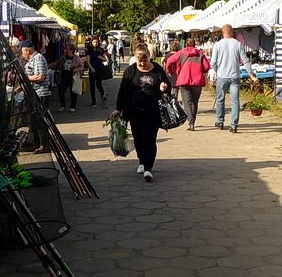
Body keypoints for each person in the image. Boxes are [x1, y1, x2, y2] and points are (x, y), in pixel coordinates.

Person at [112, 44, 171, 183]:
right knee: (138, 139)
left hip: (153, 111)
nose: (143, 64)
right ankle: (142, 161)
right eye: (140, 62)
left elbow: (167, 85)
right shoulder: (130, 71)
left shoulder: (157, 69)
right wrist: (118, 109)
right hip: (134, 112)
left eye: (145, 61)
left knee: (149, 139)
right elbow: (122, 91)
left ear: (149, 58)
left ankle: (148, 168)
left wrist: (164, 87)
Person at [210, 24, 257, 133]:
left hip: (222, 76)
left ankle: (220, 121)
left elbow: (213, 63)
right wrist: (251, 75)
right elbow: (245, 60)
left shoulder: (217, 45)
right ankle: (234, 124)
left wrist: (217, 72)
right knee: (235, 100)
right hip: (234, 76)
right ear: (232, 32)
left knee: (220, 99)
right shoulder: (238, 44)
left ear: (222, 32)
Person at [165, 37, 210, 131]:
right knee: (194, 102)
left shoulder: (181, 53)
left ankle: (191, 122)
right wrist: (202, 70)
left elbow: (169, 61)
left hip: (184, 79)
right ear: (195, 45)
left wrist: (169, 71)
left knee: (187, 102)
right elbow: (206, 66)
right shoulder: (200, 54)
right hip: (197, 80)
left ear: (186, 44)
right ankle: (193, 120)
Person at [19, 40, 51, 152]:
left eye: (22, 52)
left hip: (40, 94)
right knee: (34, 120)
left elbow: (40, 77)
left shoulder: (38, 58)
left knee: (40, 120)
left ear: (27, 51)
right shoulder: (32, 59)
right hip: (34, 94)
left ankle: (43, 145)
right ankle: (37, 144)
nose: (22, 55)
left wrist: (25, 78)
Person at [53, 41, 81, 113]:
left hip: (72, 76)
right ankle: (63, 105)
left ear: (71, 50)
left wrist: (76, 69)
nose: (66, 50)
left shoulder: (76, 58)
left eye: (67, 49)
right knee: (61, 90)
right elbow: (58, 62)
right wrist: (51, 65)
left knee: (73, 92)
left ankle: (72, 107)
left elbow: (81, 67)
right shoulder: (64, 56)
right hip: (64, 76)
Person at [86, 37, 110, 108]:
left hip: (99, 69)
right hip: (92, 70)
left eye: (96, 42)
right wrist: (91, 69)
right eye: (94, 42)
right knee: (92, 86)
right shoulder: (89, 50)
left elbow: (105, 59)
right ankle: (93, 101)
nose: (95, 43)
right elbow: (88, 61)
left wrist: (100, 57)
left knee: (99, 85)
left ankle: (103, 97)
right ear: (91, 42)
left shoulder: (100, 50)